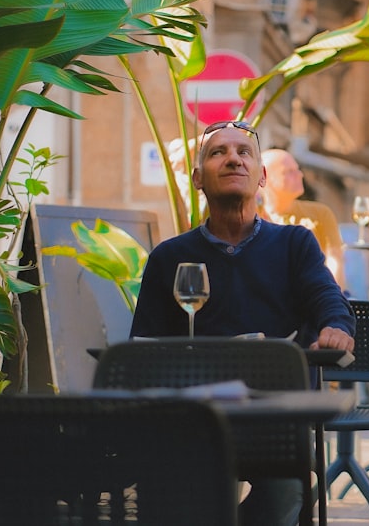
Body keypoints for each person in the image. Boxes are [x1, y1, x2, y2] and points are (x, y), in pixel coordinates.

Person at [130, 119, 355, 526]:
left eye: (243, 152)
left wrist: (336, 327)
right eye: (218, 152)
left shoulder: (294, 244)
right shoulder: (168, 256)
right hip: (194, 416)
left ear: (262, 177)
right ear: (198, 178)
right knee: (175, 492)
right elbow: (143, 343)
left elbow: (328, 298)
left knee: (286, 490)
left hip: (274, 413)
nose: (232, 158)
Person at [260, 148, 347, 288]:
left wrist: (332, 299)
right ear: (265, 179)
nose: (300, 174)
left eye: (298, 169)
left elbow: (335, 261)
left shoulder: (320, 213)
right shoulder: (253, 218)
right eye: (289, 172)